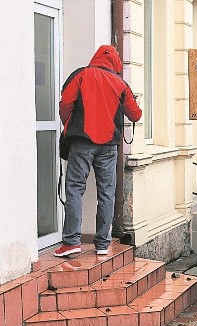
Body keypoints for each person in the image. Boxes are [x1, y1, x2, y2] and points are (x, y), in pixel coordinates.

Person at [54, 45, 142, 257]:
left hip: (82, 141)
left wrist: (69, 123)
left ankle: (71, 242)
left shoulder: (81, 75)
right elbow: (135, 115)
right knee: (106, 192)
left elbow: (66, 103)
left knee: (75, 188)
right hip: (109, 145)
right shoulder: (120, 83)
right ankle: (102, 243)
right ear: (115, 62)